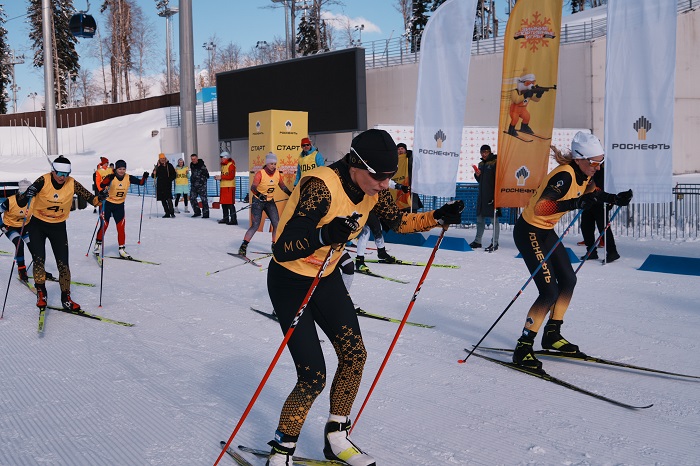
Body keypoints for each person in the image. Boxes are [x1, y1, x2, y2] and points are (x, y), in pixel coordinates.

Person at [263, 129, 464, 466]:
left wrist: (436, 217)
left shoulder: (372, 189)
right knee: (313, 375)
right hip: (290, 281)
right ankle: (282, 450)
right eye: (379, 177)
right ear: (356, 165)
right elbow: (283, 248)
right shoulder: (321, 186)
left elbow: (397, 221)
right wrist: (325, 234)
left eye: (389, 177)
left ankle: (336, 438)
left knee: (354, 355)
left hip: (325, 277)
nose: (385, 185)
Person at [511, 132, 633, 371]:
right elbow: (542, 207)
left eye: (600, 162)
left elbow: (593, 193)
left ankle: (552, 334)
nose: (597, 167)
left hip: (546, 231)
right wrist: (575, 203)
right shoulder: (565, 176)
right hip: (529, 232)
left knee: (568, 279)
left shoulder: (584, 174)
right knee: (549, 291)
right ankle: (523, 347)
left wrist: (615, 199)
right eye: (594, 162)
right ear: (579, 159)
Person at [20, 156, 107, 311]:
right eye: (60, 173)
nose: (62, 177)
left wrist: (99, 198)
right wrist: (29, 192)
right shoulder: (43, 180)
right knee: (39, 259)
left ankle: (66, 298)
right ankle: (41, 293)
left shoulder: (71, 183)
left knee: (63, 264)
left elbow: (92, 199)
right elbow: (23, 199)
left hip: (58, 227)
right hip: (37, 225)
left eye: (66, 174)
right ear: (53, 171)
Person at [238, 152, 292, 255]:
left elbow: (283, 186)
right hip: (258, 201)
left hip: (269, 202)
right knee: (255, 225)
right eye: (271, 164)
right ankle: (243, 246)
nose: (273, 166)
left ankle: (274, 244)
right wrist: (259, 194)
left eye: (275, 164)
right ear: (267, 163)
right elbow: (253, 188)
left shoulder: (277, 174)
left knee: (276, 223)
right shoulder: (260, 174)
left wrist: (290, 194)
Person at [94, 160, 149, 259]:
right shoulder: (111, 177)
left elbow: (141, 183)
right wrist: (108, 179)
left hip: (119, 205)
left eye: (123, 169)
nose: (122, 171)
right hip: (107, 204)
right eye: (120, 169)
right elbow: (102, 185)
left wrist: (144, 177)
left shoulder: (128, 177)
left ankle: (121, 249)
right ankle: (97, 245)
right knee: (104, 225)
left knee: (121, 227)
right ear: (116, 169)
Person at [579, 164, 620, 262]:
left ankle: (612, 252)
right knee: (586, 226)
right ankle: (591, 251)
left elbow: (610, 186)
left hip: (601, 203)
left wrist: (611, 201)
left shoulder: (604, 173)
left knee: (603, 227)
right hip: (589, 201)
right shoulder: (589, 171)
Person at [1, 179, 34, 281]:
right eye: (23, 193)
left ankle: (39, 269)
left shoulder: (34, 200)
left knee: (34, 245)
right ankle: (22, 270)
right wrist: (1, 226)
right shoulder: (10, 201)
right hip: (10, 227)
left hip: (25, 227)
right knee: (19, 243)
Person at [469, 144, 500, 252]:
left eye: (486, 152)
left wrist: (496, 196)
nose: (484, 154)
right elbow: (480, 181)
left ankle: (495, 243)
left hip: (492, 196)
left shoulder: (495, 162)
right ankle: (477, 241)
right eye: (482, 152)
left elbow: (499, 179)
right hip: (482, 196)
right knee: (480, 219)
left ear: (490, 152)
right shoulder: (481, 164)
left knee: (494, 220)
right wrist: (477, 175)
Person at [390, 142, 414, 212]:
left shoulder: (408, 158)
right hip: (394, 186)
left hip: (408, 184)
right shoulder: (393, 159)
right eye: (398, 149)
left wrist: (411, 156)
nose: (400, 150)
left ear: (405, 150)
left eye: (402, 148)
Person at [215, 151, 237, 225]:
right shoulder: (223, 165)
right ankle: (225, 218)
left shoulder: (231, 165)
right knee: (223, 203)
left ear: (226, 158)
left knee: (230, 204)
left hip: (229, 187)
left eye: (222, 158)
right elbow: (225, 175)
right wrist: (219, 178)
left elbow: (231, 176)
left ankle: (233, 220)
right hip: (224, 187)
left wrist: (221, 177)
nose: (221, 159)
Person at [152, 153, 176, 218]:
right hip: (160, 185)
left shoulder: (169, 165)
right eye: (161, 158)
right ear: (159, 159)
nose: (162, 160)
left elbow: (174, 174)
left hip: (167, 185)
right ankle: (167, 213)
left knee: (169, 199)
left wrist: (169, 179)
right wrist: (154, 173)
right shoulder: (157, 166)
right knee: (163, 199)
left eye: (163, 158)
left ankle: (172, 212)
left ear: (165, 158)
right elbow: (153, 176)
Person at [189, 153, 210, 219]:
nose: (193, 160)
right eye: (192, 159)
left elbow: (207, 175)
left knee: (204, 199)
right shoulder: (191, 165)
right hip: (194, 185)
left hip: (201, 185)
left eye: (194, 159)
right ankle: (197, 211)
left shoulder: (202, 165)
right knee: (192, 198)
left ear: (197, 158)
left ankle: (206, 213)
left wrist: (202, 181)